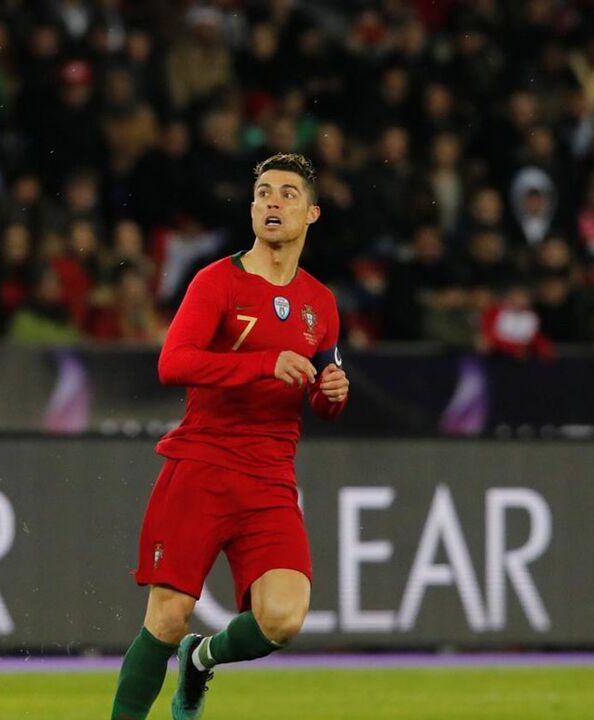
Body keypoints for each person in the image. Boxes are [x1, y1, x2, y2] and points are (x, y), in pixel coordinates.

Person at [109, 153, 349, 720]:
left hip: (270, 476)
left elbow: (318, 398)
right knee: (167, 617)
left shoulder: (322, 305)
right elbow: (173, 362)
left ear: (311, 213)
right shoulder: (217, 281)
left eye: (288, 194)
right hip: (202, 464)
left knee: (283, 619)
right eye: (263, 192)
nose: (272, 202)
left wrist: (331, 394)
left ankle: (201, 661)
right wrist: (264, 364)